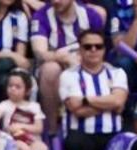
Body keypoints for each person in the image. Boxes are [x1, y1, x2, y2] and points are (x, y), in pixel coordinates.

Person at [30, 0, 108, 136]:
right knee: (50, 69)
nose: (56, 1)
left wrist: (82, 60)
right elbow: (40, 53)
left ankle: (92, 125)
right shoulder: (41, 16)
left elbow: (100, 49)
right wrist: (64, 58)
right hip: (57, 67)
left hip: (87, 64)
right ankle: (52, 131)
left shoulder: (91, 15)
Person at [59, 28, 129, 150]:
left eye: (98, 46)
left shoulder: (118, 73)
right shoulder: (68, 76)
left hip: (113, 134)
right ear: (80, 50)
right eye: (87, 47)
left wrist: (86, 100)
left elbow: (118, 101)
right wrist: (110, 105)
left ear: (104, 50)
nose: (93, 50)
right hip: (81, 134)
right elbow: (76, 110)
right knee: (73, 144)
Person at [0, 69, 48, 150]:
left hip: (32, 139)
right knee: (24, 149)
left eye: (18, 87)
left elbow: (39, 128)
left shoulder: (34, 106)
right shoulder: (3, 105)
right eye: (10, 86)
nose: (13, 89)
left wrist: (21, 126)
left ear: (27, 91)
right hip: (12, 141)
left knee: (42, 149)